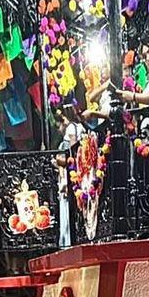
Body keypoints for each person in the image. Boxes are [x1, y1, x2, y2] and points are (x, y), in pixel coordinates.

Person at [54, 104, 85, 248]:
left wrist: (57, 161)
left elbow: (71, 153)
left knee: (68, 206)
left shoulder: (72, 129)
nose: (59, 129)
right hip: (72, 172)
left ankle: (68, 241)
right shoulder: (80, 127)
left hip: (70, 173)